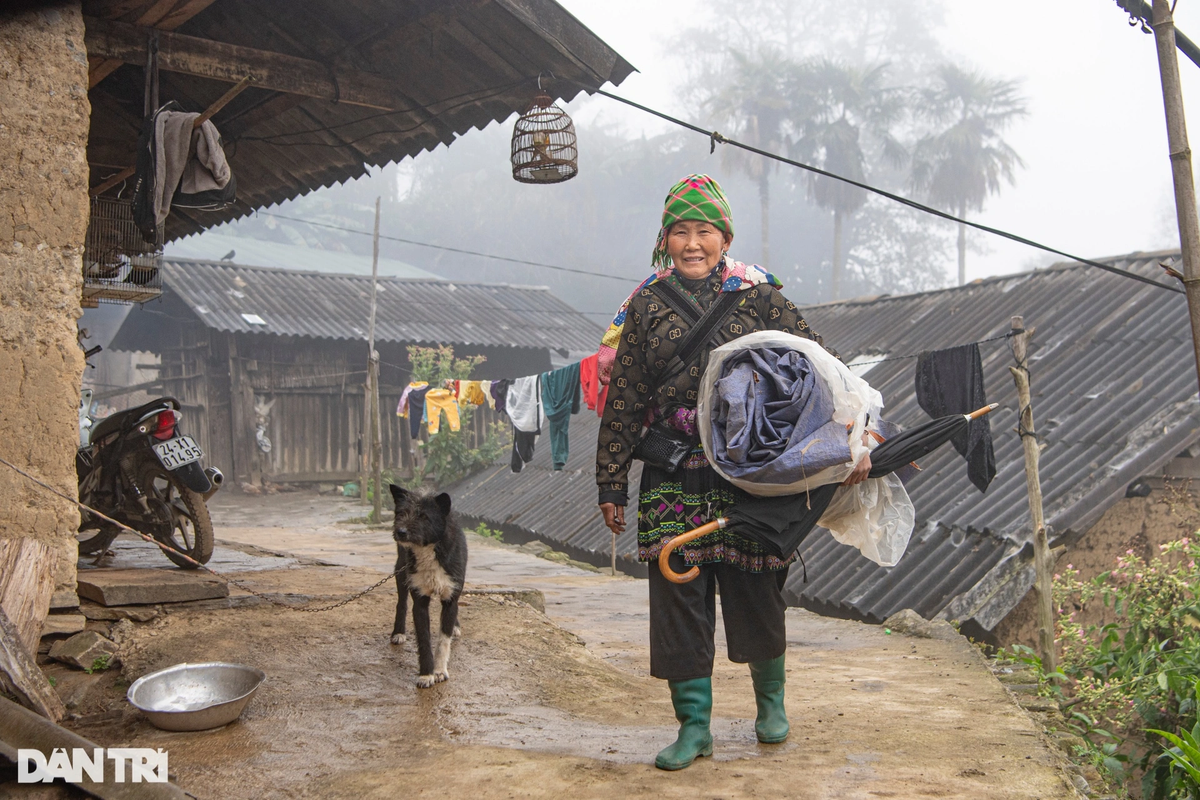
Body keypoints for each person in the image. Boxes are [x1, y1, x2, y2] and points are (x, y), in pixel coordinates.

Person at [596, 174, 870, 771]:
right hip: (672, 469)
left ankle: (770, 706)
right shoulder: (644, 307)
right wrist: (611, 480)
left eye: (704, 231)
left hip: (750, 467)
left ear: (724, 237)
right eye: (680, 232)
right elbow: (625, 396)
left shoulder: (760, 297)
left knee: (756, 580)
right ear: (665, 239)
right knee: (677, 588)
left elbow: (820, 365)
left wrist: (856, 431)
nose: (692, 243)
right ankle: (694, 727)